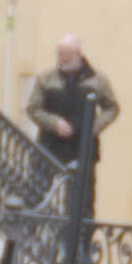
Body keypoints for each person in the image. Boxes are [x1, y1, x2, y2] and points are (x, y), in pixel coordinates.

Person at [28, 37, 120, 230]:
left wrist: (92, 127)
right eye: (60, 55)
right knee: (35, 192)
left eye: (67, 55)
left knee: (82, 200)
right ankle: (28, 234)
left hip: (83, 147)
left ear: (78, 55)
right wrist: (54, 123)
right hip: (50, 144)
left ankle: (79, 248)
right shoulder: (46, 78)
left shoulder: (98, 80)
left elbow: (112, 108)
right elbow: (33, 109)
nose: (62, 59)